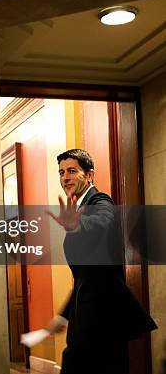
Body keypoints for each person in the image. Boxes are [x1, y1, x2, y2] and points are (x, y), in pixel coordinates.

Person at [45, 149, 157, 374]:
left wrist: (78, 226)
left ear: (89, 175)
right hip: (87, 315)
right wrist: (64, 314)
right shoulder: (78, 206)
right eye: (61, 172)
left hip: (103, 318)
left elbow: (103, 219)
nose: (64, 177)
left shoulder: (100, 200)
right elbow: (86, 276)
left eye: (72, 171)